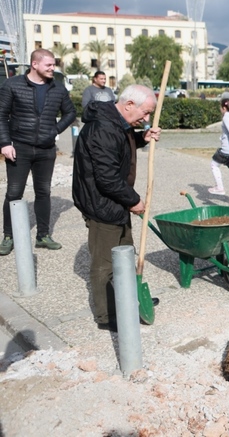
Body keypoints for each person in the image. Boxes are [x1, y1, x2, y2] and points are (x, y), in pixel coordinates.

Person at [72, 85, 161, 331]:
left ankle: (129, 301)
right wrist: (133, 201)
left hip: (115, 202)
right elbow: (107, 177)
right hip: (102, 204)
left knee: (124, 253)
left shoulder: (117, 122)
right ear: (129, 104)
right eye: (145, 113)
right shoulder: (103, 128)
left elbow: (122, 145)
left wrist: (142, 139)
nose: (146, 119)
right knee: (104, 264)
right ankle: (106, 316)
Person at [0, 49, 77, 255]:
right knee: (14, 193)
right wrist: (5, 143)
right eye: (49, 65)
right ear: (34, 64)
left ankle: (43, 235)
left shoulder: (58, 88)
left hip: (46, 150)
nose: (53, 68)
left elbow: (71, 113)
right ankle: (8, 236)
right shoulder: (12, 85)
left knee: (43, 192)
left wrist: (55, 130)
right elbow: (1, 115)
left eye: (53, 65)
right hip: (19, 148)